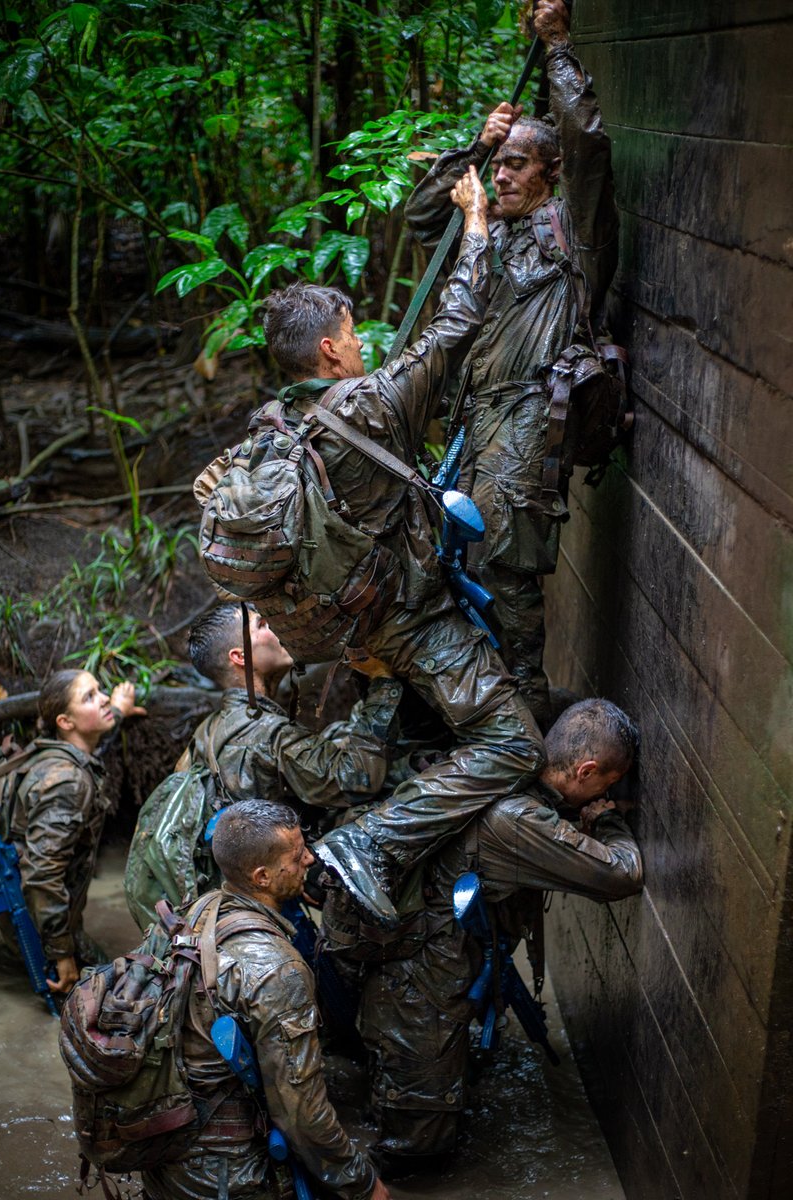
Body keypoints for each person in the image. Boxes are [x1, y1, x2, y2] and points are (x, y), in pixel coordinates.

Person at [253, 169, 545, 929]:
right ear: (328, 347)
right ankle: (369, 844)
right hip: (411, 622)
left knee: (421, 738)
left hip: (354, 632)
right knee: (514, 743)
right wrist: (475, 221)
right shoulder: (372, 406)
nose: (362, 344)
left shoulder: (271, 431)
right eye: (352, 335)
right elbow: (458, 320)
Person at [405, 0, 618, 725]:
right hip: (476, 438)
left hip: (525, 441)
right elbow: (422, 220)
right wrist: (474, 146)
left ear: (551, 175)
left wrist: (557, 46)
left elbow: (587, 142)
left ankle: (521, 755)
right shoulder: (491, 230)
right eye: (498, 166)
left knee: (514, 607)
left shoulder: (571, 235)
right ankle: (489, 738)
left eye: (516, 164)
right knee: (465, 587)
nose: (500, 177)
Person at [322, 699, 642, 1171]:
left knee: (387, 1086)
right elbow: (622, 875)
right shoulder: (519, 820)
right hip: (417, 986)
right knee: (418, 1152)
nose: (604, 794)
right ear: (585, 770)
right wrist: (607, 819)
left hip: (403, 962)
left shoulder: (498, 773)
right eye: (605, 785)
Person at [140, 798, 390, 1200]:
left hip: (164, 1153)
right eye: (297, 856)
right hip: (230, 1176)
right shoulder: (277, 971)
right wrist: (362, 1183)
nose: (310, 858)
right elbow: (302, 1115)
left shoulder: (188, 915)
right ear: (262, 876)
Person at [182, 602, 403, 819]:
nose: (276, 626)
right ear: (240, 657)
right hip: (290, 851)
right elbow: (357, 780)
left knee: (337, 733)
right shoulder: (268, 733)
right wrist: (381, 682)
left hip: (246, 848)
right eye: (261, 625)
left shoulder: (205, 731)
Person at [1, 669, 144, 994]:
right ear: (66, 722)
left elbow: (94, 739)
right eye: (90, 697)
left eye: (100, 690)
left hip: (47, 915)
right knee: (112, 993)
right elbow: (41, 874)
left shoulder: (58, 751)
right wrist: (62, 954)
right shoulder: (66, 782)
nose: (105, 697)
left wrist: (119, 711)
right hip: (36, 928)